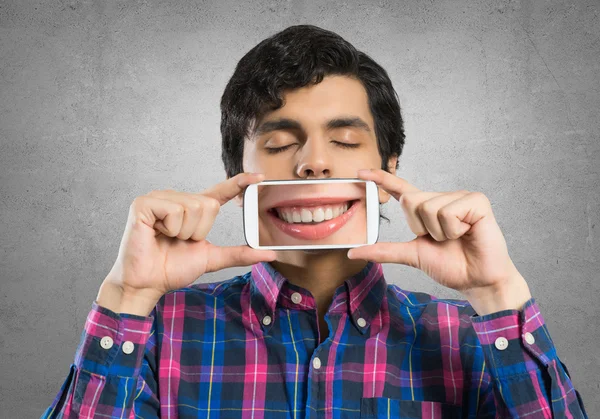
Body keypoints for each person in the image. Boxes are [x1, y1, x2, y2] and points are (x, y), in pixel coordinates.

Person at [41, 24, 588, 418]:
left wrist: (498, 292)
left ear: (390, 167)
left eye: (345, 141)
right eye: (279, 143)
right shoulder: (153, 331)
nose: (312, 163)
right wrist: (128, 294)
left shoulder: (471, 336)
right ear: (237, 179)